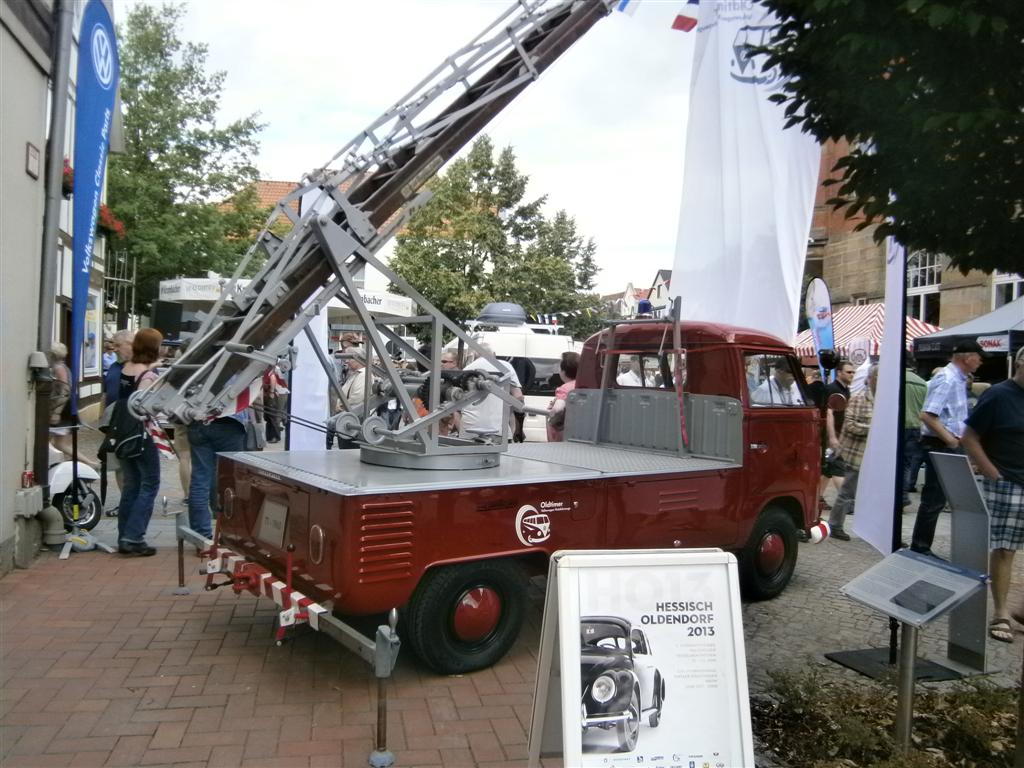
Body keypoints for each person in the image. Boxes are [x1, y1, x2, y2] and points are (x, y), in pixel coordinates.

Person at [961, 345, 1024, 644]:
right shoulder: (998, 395)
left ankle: (1022, 609)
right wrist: (991, 472)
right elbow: (969, 437)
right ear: (1021, 364)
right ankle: (1000, 612)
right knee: (1004, 549)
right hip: (1007, 481)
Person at [910, 339, 985, 557]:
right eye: (978, 357)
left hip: (945, 444)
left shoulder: (956, 379)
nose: (980, 362)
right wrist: (952, 441)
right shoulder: (948, 378)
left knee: (938, 498)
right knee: (934, 498)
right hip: (941, 444)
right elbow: (927, 415)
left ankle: (922, 545)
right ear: (967, 357)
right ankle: (920, 546)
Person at [115, 328, 164, 556]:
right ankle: (134, 537)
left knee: (131, 486)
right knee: (149, 484)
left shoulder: (126, 369)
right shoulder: (149, 375)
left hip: (123, 434)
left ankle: (124, 534)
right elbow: (145, 407)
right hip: (142, 435)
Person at [829, 364, 878, 541]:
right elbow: (850, 425)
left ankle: (874, 527)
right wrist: (873, 428)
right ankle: (835, 525)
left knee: (872, 492)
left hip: (875, 456)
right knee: (847, 491)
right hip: (856, 453)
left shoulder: (884, 400)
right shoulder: (858, 399)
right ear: (870, 379)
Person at [187, 398, 248, 540]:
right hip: (230, 421)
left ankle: (201, 535)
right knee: (230, 480)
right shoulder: (234, 374)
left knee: (200, 479)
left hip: (198, 420)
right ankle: (230, 532)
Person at [460, 344, 523, 439]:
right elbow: (518, 397)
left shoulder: (467, 369)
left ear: (475, 355)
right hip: (498, 429)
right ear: (494, 354)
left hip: (469, 428)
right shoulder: (505, 367)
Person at [820, 360, 855, 508]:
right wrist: (832, 437)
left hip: (838, 435)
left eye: (853, 372)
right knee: (838, 468)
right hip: (831, 436)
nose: (852, 375)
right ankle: (847, 503)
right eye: (849, 372)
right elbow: (829, 413)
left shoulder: (846, 389)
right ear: (839, 373)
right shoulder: (834, 389)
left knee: (827, 470)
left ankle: (817, 499)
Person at [902, 361, 928, 505]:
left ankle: (897, 496)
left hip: (899, 426)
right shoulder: (922, 383)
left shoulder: (896, 378)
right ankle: (903, 495)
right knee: (906, 464)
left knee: (894, 464)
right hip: (916, 427)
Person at [547, 351, 579, 442]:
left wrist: (550, 410)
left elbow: (558, 409)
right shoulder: (585, 386)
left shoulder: (565, 389)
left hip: (563, 438)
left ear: (564, 371)